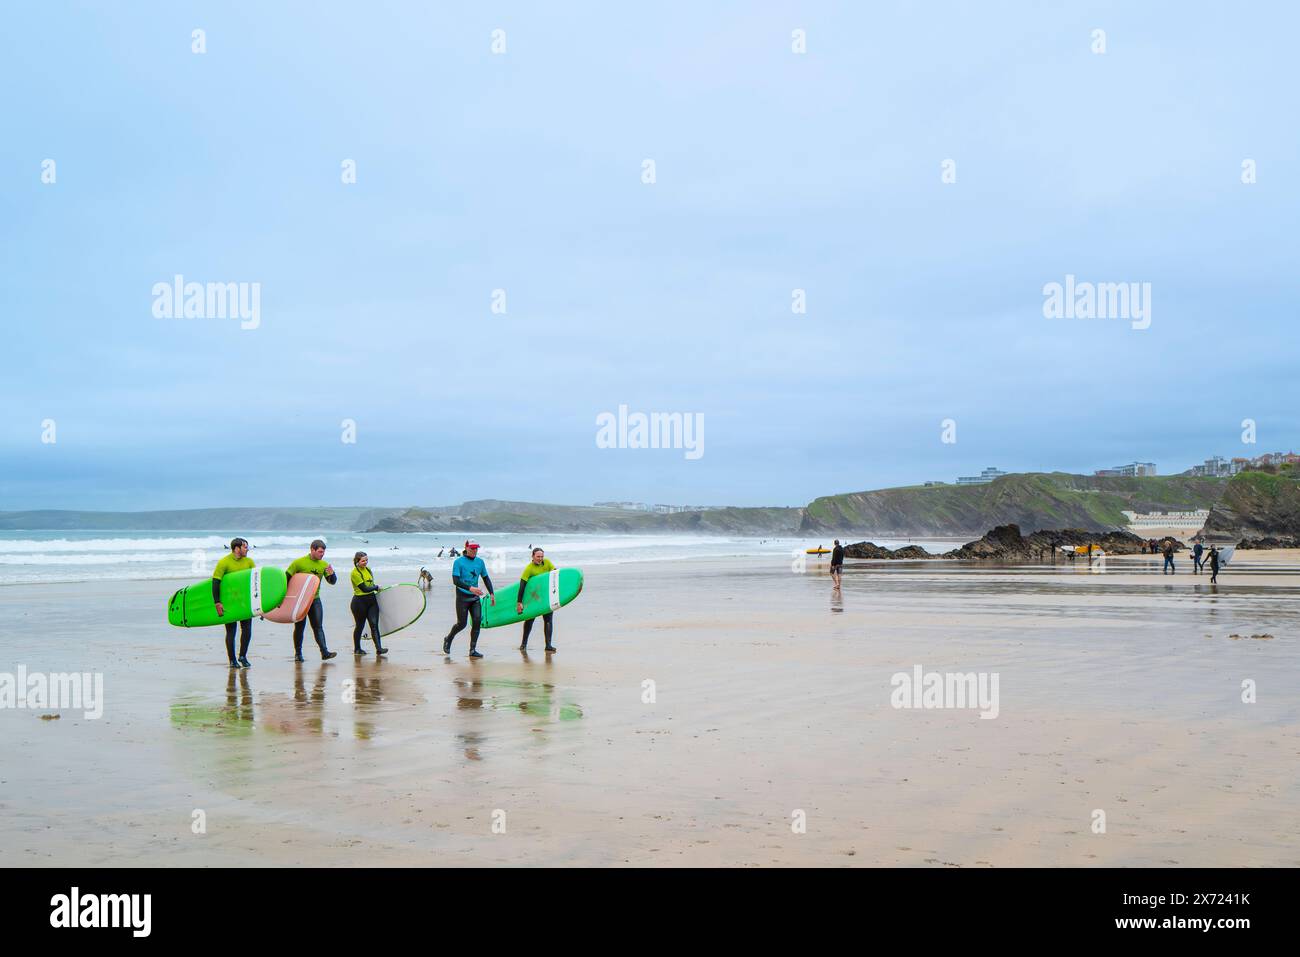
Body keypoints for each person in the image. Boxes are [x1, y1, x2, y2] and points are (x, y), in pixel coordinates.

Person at [286, 540, 338, 661]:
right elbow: (286, 579)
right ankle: (298, 654)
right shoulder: (298, 563)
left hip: (315, 600)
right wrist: (284, 599)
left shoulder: (324, 565)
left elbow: (332, 582)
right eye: (320, 552)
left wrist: (332, 574)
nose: (322, 554)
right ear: (312, 550)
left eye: (323, 552)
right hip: (300, 601)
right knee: (300, 627)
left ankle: (324, 652)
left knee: (318, 627)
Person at [442, 540, 495, 658]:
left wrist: (492, 593)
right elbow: (455, 581)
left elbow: (486, 578)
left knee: (477, 622)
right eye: (472, 548)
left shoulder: (480, 562)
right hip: (462, 597)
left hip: (475, 598)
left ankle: (472, 650)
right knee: (462, 624)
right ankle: (448, 638)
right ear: (466, 548)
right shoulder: (458, 562)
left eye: (476, 548)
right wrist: (470, 588)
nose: (474, 551)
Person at [212, 537, 254, 669]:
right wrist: (217, 602)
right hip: (230, 602)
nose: (247, 549)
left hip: (245, 602)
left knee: (247, 630)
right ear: (237, 548)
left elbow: (255, 582)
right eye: (245, 547)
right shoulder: (224, 562)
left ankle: (243, 656)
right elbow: (216, 582)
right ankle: (232, 660)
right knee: (231, 631)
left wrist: (259, 603)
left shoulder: (249, 562)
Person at [516, 547, 558, 653]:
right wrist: (519, 602)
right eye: (538, 556)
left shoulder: (547, 562)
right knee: (530, 620)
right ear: (533, 556)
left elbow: (555, 574)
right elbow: (522, 585)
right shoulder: (529, 568)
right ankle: (523, 644)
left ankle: (548, 645)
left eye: (542, 556)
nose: (540, 559)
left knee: (548, 620)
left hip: (546, 597)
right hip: (533, 598)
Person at [350, 551, 388, 656]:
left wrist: (376, 589)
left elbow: (371, 584)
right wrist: (376, 587)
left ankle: (379, 648)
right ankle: (357, 649)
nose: (365, 562)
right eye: (363, 561)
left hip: (372, 601)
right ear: (357, 561)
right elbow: (364, 588)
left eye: (366, 560)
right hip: (359, 603)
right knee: (360, 626)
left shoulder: (368, 570)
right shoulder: (355, 573)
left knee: (374, 625)